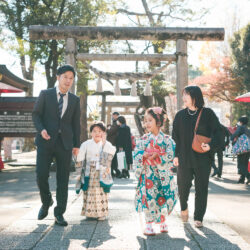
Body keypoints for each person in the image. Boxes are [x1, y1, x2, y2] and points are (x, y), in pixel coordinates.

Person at [32, 65, 80, 226]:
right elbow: (36, 114)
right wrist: (41, 129)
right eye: (65, 77)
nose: (68, 80)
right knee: (41, 174)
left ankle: (59, 213)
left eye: (71, 78)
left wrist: (76, 144)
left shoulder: (75, 99)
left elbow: (75, 124)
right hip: (45, 141)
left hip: (65, 143)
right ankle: (46, 202)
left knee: (63, 179)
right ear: (58, 77)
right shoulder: (45, 94)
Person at [172, 86, 221, 228]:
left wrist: (211, 146)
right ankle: (183, 208)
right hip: (184, 158)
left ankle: (199, 217)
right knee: (182, 186)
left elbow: (219, 132)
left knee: (201, 188)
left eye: (186, 94)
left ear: (195, 97)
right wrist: (175, 155)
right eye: (183, 95)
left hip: (202, 159)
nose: (184, 98)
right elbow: (175, 138)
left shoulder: (208, 114)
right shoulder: (180, 115)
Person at [134, 107, 178, 236]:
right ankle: (148, 225)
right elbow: (136, 153)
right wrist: (144, 155)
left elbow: (171, 154)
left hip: (163, 175)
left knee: (163, 197)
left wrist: (158, 156)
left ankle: (163, 221)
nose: (146, 123)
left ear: (158, 122)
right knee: (148, 198)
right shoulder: (143, 139)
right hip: (148, 174)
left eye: (149, 120)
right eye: (145, 121)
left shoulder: (168, 140)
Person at [76, 121, 116, 220]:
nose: (97, 133)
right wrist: (77, 156)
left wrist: (104, 143)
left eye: (100, 131)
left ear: (104, 133)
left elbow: (112, 151)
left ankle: (101, 213)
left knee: (101, 193)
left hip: (101, 172)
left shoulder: (106, 144)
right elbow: (80, 157)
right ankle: (89, 212)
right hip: (90, 172)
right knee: (89, 192)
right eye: (94, 131)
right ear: (91, 133)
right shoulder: (86, 144)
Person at [231, 116, 250, 184]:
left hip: (241, 149)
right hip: (248, 149)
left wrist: (231, 138)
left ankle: (248, 176)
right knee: (244, 164)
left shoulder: (241, 128)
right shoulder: (248, 129)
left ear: (241, 122)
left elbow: (235, 134)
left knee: (240, 165)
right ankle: (242, 179)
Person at [107, 112, 120, 177]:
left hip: (113, 143)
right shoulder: (115, 123)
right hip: (113, 143)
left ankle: (113, 172)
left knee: (112, 158)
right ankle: (115, 171)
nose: (113, 116)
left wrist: (108, 128)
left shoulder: (116, 123)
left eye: (114, 115)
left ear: (116, 116)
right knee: (113, 158)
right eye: (113, 115)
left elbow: (110, 132)